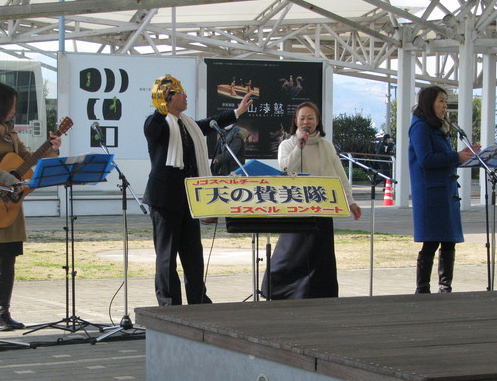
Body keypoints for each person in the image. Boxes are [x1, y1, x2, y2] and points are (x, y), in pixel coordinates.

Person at [144, 74, 254, 306]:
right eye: (181, 93)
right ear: (168, 97)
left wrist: (237, 112)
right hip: (165, 199)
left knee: (193, 254)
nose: (186, 97)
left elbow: (210, 122)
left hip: (189, 198)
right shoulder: (157, 123)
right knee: (167, 255)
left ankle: (198, 300)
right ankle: (169, 303)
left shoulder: (188, 124)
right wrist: (160, 108)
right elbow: (153, 129)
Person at [0, 82, 62, 331]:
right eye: (11, 105)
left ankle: (3, 312)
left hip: (10, 204)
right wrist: (6, 178)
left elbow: (26, 159)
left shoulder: (11, 132)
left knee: (9, 259)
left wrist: (50, 150)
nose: (14, 110)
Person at [261, 102, 361, 300]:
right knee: (290, 253)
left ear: (318, 121)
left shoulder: (326, 146)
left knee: (320, 255)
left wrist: (350, 201)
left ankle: (320, 295)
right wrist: (299, 145)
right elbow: (285, 169)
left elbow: (340, 176)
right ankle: (280, 291)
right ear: (296, 122)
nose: (306, 121)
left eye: (310, 117)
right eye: (302, 118)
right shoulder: (287, 144)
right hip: (296, 208)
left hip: (322, 207)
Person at [408, 85, 479, 293]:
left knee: (449, 240)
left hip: (445, 191)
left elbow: (445, 158)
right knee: (431, 241)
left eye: (445, 101)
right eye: (441, 100)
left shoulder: (438, 127)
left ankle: (445, 287)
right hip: (431, 193)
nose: (445, 105)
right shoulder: (420, 126)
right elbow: (426, 159)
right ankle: (422, 289)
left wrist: (462, 156)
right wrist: (456, 156)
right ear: (429, 103)